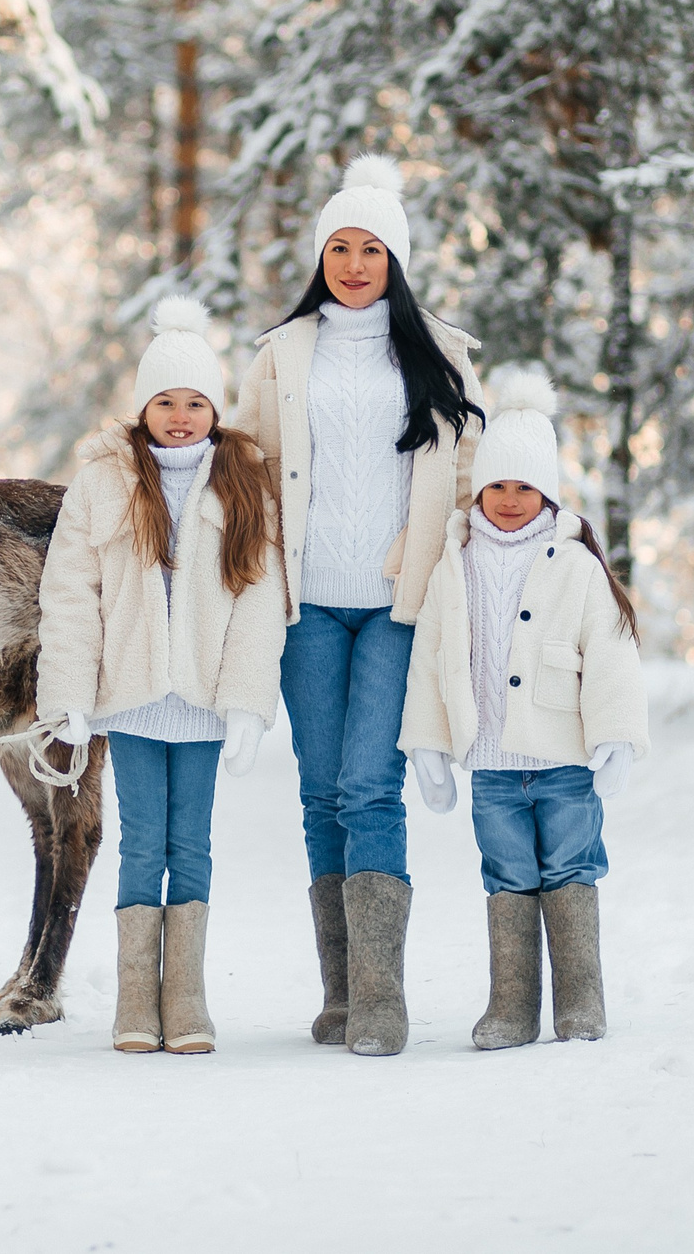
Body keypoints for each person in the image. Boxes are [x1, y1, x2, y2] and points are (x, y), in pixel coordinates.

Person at [226, 156, 485, 1056]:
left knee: (370, 788)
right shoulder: (282, 354)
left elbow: (472, 486)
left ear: (397, 261)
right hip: (306, 608)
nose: (354, 262)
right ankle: (339, 994)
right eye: (340, 246)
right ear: (321, 255)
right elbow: (245, 473)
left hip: (393, 608)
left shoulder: (443, 355)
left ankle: (383, 999)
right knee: (317, 791)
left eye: (372, 248)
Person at [38, 297, 285, 1054]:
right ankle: (136, 1001)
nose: (181, 416)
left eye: (197, 402)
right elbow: (72, 597)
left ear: (215, 409)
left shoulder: (243, 482)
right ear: (144, 407)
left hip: (205, 702)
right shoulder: (102, 484)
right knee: (144, 842)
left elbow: (259, 598)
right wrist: (69, 699)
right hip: (137, 699)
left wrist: (245, 703)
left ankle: (188, 999)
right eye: (166, 401)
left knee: (194, 844)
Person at [400, 372, 649, 1049]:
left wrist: (616, 735)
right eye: (498, 485)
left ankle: (580, 1000)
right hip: (492, 769)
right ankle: (511, 1006)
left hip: (564, 761)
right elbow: (432, 654)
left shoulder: (575, 565)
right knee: (507, 874)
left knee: (569, 867)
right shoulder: (457, 561)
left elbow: (611, 652)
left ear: (548, 491)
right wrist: (428, 744)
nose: (510, 500)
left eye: (525, 487)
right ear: (480, 487)